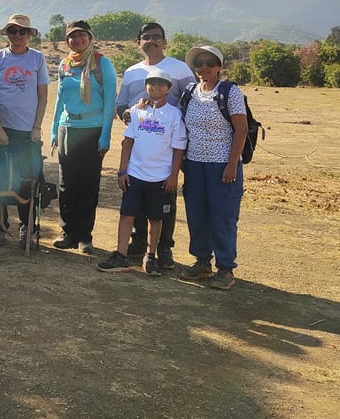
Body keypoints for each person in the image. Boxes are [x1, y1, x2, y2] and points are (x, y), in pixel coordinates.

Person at [114, 21, 195, 268]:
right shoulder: (131, 72)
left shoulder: (179, 68)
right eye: (146, 37)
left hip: (168, 145)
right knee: (137, 195)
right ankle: (139, 243)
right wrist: (128, 113)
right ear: (139, 42)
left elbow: (192, 100)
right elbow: (121, 105)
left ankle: (164, 248)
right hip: (141, 143)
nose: (151, 41)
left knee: (164, 200)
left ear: (164, 41)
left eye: (156, 37)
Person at [98, 69, 187, 276]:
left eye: (160, 84)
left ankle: (151, 256)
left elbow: (178, 149)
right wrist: (122, 171)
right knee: (127, 215)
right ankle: (121, 254)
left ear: (169, 88)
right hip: (135, 174)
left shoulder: (174, 115)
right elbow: (128, 142)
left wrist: (173, 176)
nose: (155, 88)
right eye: (151, 84)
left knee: (156, 218)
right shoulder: (138, 111)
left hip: (160, 178)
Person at [178, 45, 248, 291]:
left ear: (219, 66)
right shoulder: (190, 92)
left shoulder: (229, 92)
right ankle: (202, 262)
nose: (204, 68)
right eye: (199, 63)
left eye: (209, 62)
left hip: (222, 166)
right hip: (195, 165)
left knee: (223, 217)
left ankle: (226, 268)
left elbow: (241, 129)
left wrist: (232, 164)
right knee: (197, 215)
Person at [50, 21, 116, 253]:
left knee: (88, 185)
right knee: (67, 184)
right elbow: (59, 97)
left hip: (92, 129)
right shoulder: (65, 64)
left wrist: (105, 136)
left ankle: (84, 236)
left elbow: (110, 101)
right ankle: (67, 232)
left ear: (89, 37)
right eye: (71, 37)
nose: (76, 40)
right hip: (68, 128)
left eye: (80, 36)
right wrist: (53, 127)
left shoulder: (101, 63)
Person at [0, 13, 49, 249]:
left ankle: (26, 227)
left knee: (27, 181)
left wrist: (36, 127)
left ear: (29, 35)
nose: (18, 36)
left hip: (27, 132)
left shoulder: (37, 59)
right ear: (7, 34)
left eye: (22, 32)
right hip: (0, 129)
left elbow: (43, 96)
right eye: (13, 31)